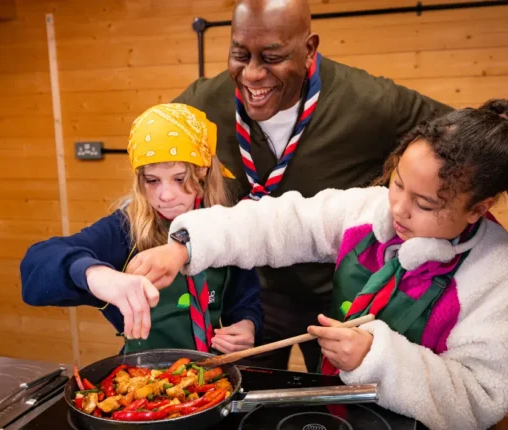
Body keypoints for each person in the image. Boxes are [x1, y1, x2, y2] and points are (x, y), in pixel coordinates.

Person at [126, 99, 508, 429]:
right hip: (341, 413)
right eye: (397, 184)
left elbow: (482, 397)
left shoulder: (496, 274)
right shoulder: (369, 209)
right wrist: (186, 244)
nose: (398, 209)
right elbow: (280, 221)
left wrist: (376, 357)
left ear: (478, 208)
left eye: (425, 204)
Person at [162, 0, 452, 371]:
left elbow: (462, 143)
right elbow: (152, 167)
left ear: (309, 49)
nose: (252, 74)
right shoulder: (202, 103)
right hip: (250, 299)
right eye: (239, 54)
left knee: (340, 409)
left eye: (271, 56)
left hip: (345, 299)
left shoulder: (368, 102)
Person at [20, 103, 262, 354]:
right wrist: (95, 274)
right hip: (145, 378)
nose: (166, 195)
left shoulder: (226, 225)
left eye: (179, 179)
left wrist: (247, 324)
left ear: (203, 170)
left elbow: (245, 298)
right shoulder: (125, 231)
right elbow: (36, 267)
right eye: (152, 180)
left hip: (216, 376)